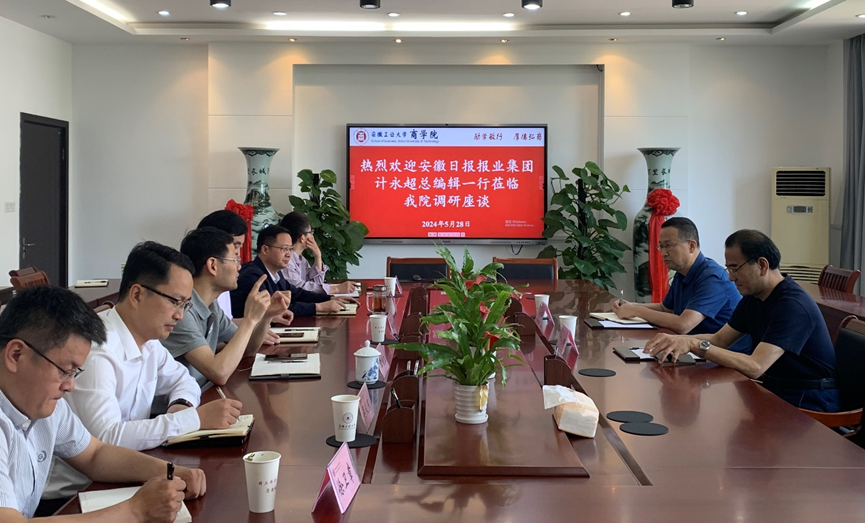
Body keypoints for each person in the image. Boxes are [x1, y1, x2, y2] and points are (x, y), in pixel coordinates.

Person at [43, 242, 242, 502]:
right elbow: (106, 439)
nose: (180, 315)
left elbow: (183, 380)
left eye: (185, 305)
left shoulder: (148, 341)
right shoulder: (97, 350)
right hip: (76, 496)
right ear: (137, 295)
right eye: (175, 302)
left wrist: (181, 407)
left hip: (126, 474)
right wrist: (192, 420)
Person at [0, 286, 205, 521]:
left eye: (75, 373)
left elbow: (95, 455)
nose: (70, 386)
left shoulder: (44, 405)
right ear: (16, 355)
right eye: (65, 370)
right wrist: (135, 510)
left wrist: (170, 471)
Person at [645, 229, 839, 412]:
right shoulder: (754, 298)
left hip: (808, 399)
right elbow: (720, 340)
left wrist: (695, 344)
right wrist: (679, 340)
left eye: (735, 269)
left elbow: (756, 366)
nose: (731, 278)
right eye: (728, 269)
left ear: (762, 265)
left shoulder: (792, 305)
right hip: (776, 389)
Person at [163, 227, 291, 388]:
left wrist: (266, 316)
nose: (239, 267)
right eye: (235, 259)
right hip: (183, 401)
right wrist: (250, 319)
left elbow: (247, 349)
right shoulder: (182, 311)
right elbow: (219, 373)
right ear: (213, 265)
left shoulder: (211, 306)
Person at [613, 217, 750, 353]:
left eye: (669, 246)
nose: (663, 253)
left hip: (722, 355)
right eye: (661, 246)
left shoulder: (712, 277)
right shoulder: (682, 271)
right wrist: (631, 306)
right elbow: (665, 308)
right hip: (691, 348)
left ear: (691, 246)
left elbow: (683, 325)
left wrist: (637, 311)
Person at [230, 225, 349, 318]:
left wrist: (329, 298)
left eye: (290, 249)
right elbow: (276, 310)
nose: (288, 255)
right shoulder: (252, 276)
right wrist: (319, 307)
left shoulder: (276, 272)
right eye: (284, 249)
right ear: (265, 249)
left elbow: (297, 294)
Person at [278, 211, 358, 295]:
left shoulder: (301, 259)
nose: (312, 236)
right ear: (302, 238)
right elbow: (300, 288)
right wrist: (336, 289)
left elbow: (315, 284)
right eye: (310, 232)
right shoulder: (286, 260)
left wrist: (318, 256)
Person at [196, 210, 249, 320]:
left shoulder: (222, 281)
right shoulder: (187, 300)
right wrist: (252, 318)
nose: (238, 254)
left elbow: (227, 325)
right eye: (235, 246)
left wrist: (264, 316)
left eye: (240, 247)